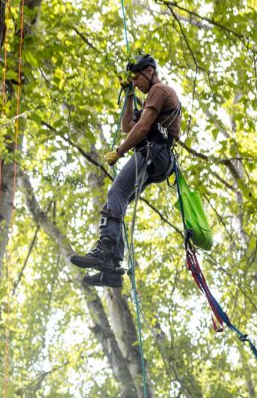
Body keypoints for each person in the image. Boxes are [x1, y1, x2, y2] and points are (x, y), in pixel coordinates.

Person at [71, 53, 182, 288]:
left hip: (154, 153)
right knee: (116, 203)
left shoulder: (159, 91)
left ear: (150, 71)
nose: (137, 83)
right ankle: (112, 269)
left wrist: (120, 152)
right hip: (159, 159)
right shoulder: (152, 96)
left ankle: (105, 249)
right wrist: (130, 94)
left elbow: (141, 129)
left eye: (138, 78)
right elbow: (127, 126)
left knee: (116, 194)